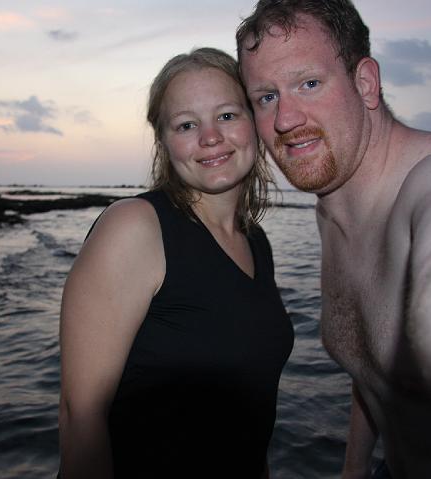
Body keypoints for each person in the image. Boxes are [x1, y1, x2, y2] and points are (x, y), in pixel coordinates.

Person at [236, 1, 431, 477]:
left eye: (309, 83)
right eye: (265, 97)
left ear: (366, 83)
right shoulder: (334, 206)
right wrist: (353, 470)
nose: (285, 119)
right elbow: (376, 370)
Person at [58, 47, 294, 479]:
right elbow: (81, 417)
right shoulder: (135, 227)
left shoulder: (256, 242)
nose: (210, 137)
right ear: (164, 142)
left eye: (226, 115)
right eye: (187, 124)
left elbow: (250, 416)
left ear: (255, 123)